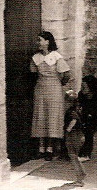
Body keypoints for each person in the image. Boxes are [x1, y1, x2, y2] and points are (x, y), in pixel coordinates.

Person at [30, 31, 71, 160]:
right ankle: (41, 148)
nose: (38, 42)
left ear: (47, 42)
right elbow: (32, 74)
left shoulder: (56, 57)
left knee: (52, 117)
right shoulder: (35, 58)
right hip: (40, 89)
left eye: (40, 40)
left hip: (54, 90)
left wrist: (58, 84)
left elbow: (66, 75)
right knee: (41, 117)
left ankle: (50, 148)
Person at [63, 90, 86, 186]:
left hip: (73, 135)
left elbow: (73, 121)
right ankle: (82, 174)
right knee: (75, 156)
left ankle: (79, 179)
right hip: (79, 134)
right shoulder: (77, 109)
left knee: (73, 156)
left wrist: (67, 130)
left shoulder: (71, 111)